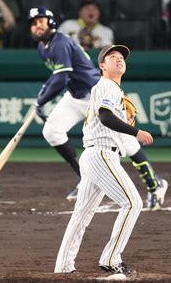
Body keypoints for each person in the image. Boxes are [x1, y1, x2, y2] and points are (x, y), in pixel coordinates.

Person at [30, 8, 168, 208]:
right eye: (33, 23)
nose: (37, 26)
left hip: (97, 94)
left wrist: (40, 101)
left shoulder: (60, 43)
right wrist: (42, 95)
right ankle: (86, 178)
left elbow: (61, 78)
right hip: (75, 95)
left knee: (127, 144)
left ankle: (155, 184)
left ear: (50, 22)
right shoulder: (43, 47)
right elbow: (57, 76)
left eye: (40, 21)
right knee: (52, 131)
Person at [54, 45, 151, 278]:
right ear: (102, 66)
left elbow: (108, 116)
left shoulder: (111, 89)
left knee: (82, 215)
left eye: (121, 57)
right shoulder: (107, 85)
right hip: (102, 155)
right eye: (112, 57)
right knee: (133, 203)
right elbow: (105, 117)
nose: (119, 59)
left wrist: (123, 119)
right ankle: (111, 259)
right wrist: (135, 131)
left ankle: (63, 267)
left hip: (94, 156)